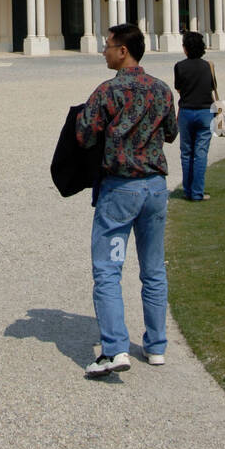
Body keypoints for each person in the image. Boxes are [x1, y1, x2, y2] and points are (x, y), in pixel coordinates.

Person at [76, 24, 177, 376]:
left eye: (108, 45)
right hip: (155, 189)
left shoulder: (108, 91)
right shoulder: (162, 89)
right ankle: (156, 346)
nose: (103, 51)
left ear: (123, 51)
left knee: (108, 268)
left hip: (121, 189)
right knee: (153, 269)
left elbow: (84, 136)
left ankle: (115, 348)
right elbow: (171, 133)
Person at [173, 31, 215, 202]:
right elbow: (212, 87)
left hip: (186, 111)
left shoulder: (179, 66)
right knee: (200, 153)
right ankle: (197, 192)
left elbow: (178, 88)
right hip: (205, 111)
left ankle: (187, 190)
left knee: (186, 153)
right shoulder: (208, 66)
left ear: (185, 48)